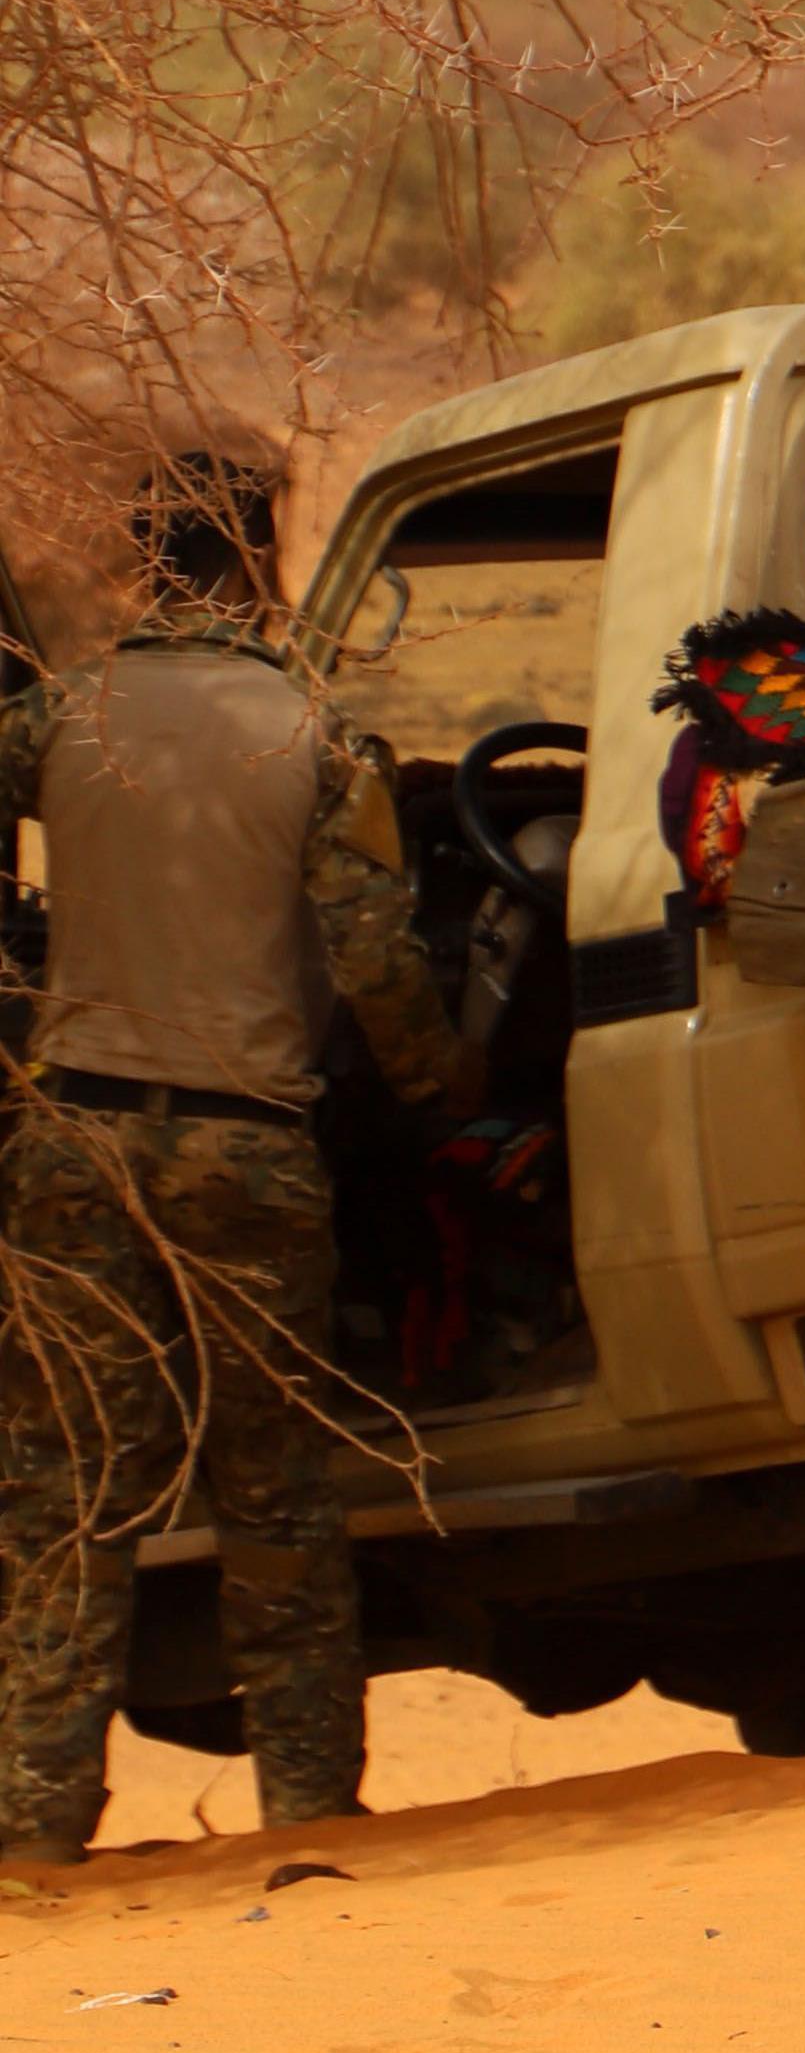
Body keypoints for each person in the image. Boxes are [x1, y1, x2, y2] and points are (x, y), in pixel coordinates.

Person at [0, 457, 474, 1865]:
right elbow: (376, 961)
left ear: (139, 563)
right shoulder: (309, 732)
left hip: (74, 1141)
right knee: (276, 1498)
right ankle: (309, 1809)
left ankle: (32, 1831)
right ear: (261, 558)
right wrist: (445, 1099)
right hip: (249, 1151)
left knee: (67, 1494)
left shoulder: (54, 716)